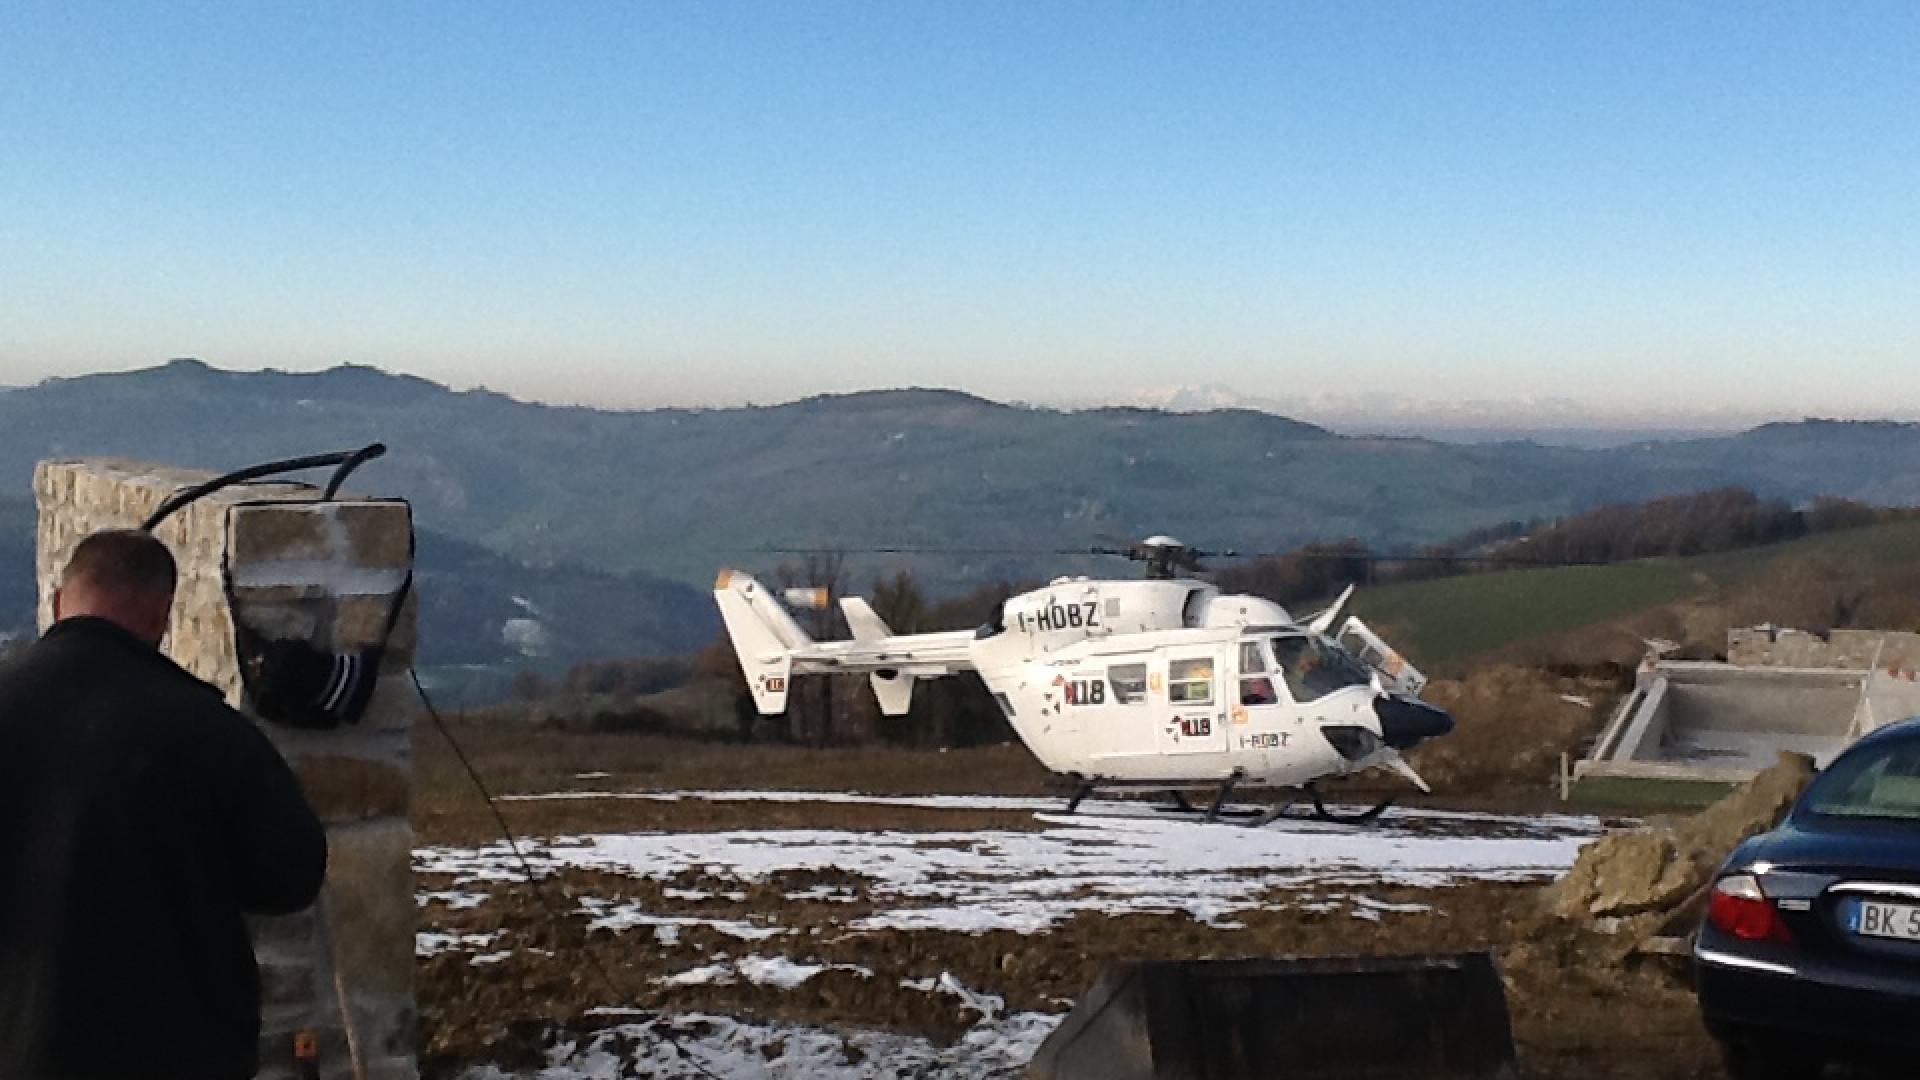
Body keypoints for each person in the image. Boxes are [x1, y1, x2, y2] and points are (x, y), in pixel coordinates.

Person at [0, 529, 327, 1080]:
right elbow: (292, 878)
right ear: (161, 616)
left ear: (60, 601)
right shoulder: (212, 732)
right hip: (174, 1049)